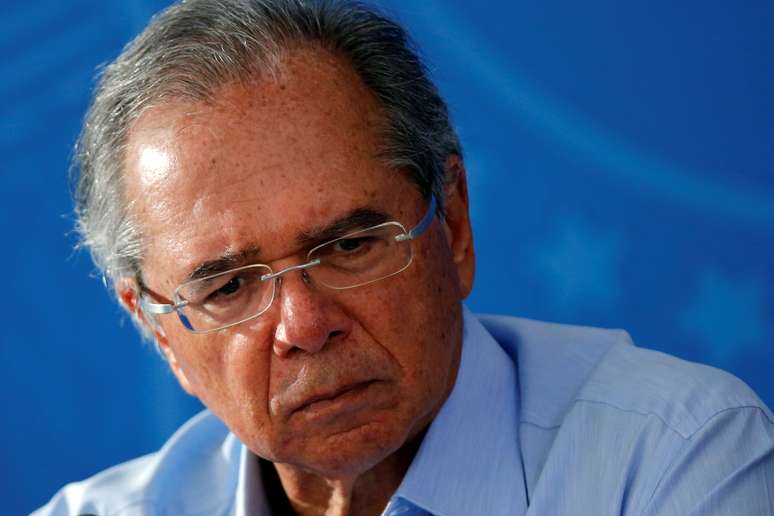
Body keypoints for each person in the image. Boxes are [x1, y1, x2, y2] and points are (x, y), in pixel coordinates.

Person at [36, 1, 774, 515]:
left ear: (452, 223)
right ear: (162, 331)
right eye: (228, 287)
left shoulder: (675, 460)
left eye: (350, 246)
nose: (304, 325)